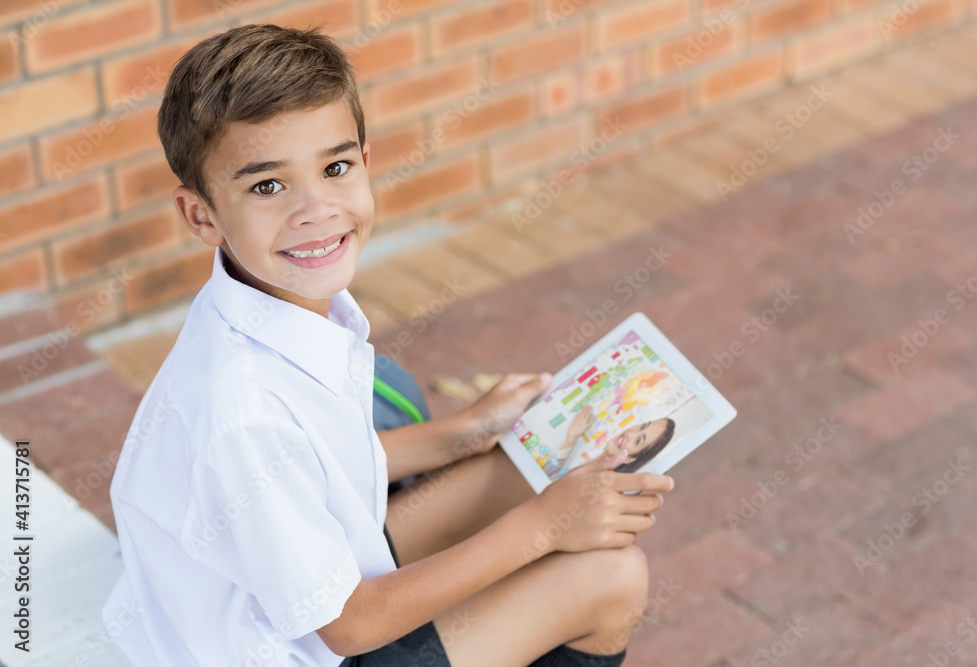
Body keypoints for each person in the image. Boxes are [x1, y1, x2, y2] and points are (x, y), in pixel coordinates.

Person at [101, 24, 674, 667]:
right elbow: (345, 627)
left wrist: (462, 432)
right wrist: (543, 530)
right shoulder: (240, 408)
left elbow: (314, 464)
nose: (315, 208)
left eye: (335, 167)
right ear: (201, 214)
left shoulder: (264, 305)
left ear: (365, 162)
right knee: (609, 577)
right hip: (312, 644)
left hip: (297, 588)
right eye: (268, 186)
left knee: (522, 461)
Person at [554, 405, 677, 475]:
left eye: (638, 440)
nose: (631, 434)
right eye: (642, 426)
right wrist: (572, 437)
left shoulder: (595, 484)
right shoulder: (592, 465)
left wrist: (571, 439)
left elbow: (550, 489)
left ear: (630, 459)